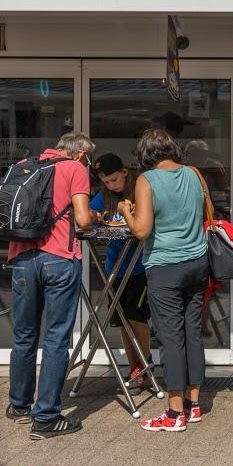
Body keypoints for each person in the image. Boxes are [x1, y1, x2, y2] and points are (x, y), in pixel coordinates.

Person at [1, 132, 96, 439]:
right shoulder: (74, 169)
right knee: (56, 338)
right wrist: (93, 215)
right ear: (80, 154)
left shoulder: (22, 166)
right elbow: (82, 220)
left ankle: (18, 405)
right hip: (58, 258)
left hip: (22, 259)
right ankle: (46, 418)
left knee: (24, 334)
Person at [118, 129, 209, 433]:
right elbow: (207, 212)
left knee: (171, 337)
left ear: (145, 155)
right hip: (198, 262)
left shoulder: (147, 180)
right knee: (192, 332)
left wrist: (125, 211)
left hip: (166, 266)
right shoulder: (194, 173)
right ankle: (194, 404)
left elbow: (142, 231)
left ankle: (174, 413)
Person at [89, 153, 152, 393]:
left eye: (114, 180)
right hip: (115, 266)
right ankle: (134, 364)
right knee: (122, 320)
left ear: (125, 172)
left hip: (140, 265)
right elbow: (90, 216)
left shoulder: (139, 190)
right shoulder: (104, 196)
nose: (111, 185)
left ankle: (145, 363)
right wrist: (95, 217)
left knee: (137, 316)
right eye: (106, 182)